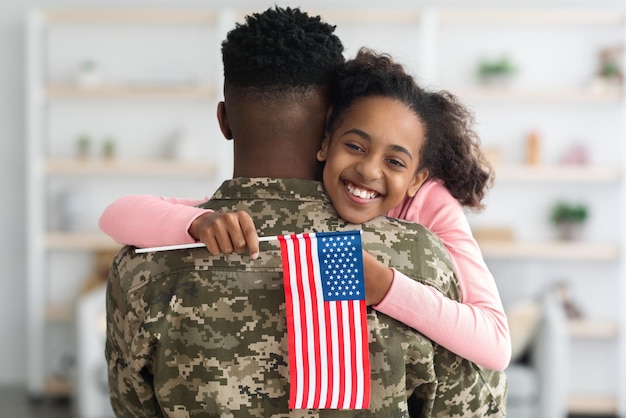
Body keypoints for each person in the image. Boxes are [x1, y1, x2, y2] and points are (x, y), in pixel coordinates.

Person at [105, 7, 506, 417]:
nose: (371, 171)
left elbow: (132, 407)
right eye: (359, 147)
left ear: (224, 120)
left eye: (395, 161)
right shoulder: (423, 259)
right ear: (330, 128)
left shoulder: (142, 266)